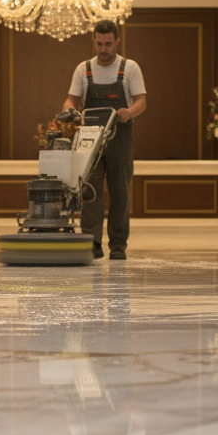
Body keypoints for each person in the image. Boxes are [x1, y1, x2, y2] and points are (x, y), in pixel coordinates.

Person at [62, 20, 147, 260]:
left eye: (108, 44)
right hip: (90, 139)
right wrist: (70, 110)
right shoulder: (84, 69)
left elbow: (141, 100)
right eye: (99, 44)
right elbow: (71, 99)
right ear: (94, 41)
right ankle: (92, 242)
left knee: (121, 191)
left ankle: (118, 245)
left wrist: (129, 112)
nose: (103, 49)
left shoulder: (129, 68)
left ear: (117, 42)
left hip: (120, 137)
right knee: (90, 192)